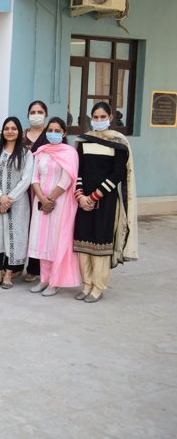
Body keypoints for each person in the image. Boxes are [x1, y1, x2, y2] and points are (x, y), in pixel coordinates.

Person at [73, 102, 138, 303]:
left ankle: (98, 287)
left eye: (103, 117)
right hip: (83, 200)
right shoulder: (84, 140)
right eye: (95, 117)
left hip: (106, 200)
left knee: (100, 243)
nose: (99, 120)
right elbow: (79, 170)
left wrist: (93, 197)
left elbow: (117, 174)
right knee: (82, 242)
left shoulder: (119, 143)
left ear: (110, 118)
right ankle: (86, 284)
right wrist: (81, 196)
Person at [27, 117, 82, 296]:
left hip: (60, 203)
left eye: (57, 131)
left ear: (64, 133)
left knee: (55, 241)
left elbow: (67, 178)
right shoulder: (41, 152)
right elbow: (34, 177)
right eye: (50, 130)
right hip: (41, 202)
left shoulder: (70, 152)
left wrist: (50, 199)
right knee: (41, 240)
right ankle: (44, 279)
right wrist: (42, 199)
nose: (53, 133)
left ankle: (55, 282)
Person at [0, 117, 34, 289]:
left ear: (19, 132)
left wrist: (9, 199)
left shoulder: (26, 154)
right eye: (6, 128)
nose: (10, 131)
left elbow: (26, 179)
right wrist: (1, 197)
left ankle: (9, 274)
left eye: (13, 128)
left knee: (14, 237)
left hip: (17, 204)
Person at [20, 100, 49, 282]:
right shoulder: (21, 136)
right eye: (33, 112)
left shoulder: (52, 134)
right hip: (21, 189)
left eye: (40, 112)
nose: (36, 115)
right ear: (28, 115)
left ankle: (34, 268)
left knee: (39, 229)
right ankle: (15, 265)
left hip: (43, 190)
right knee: (21, 226)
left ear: (46, 115)